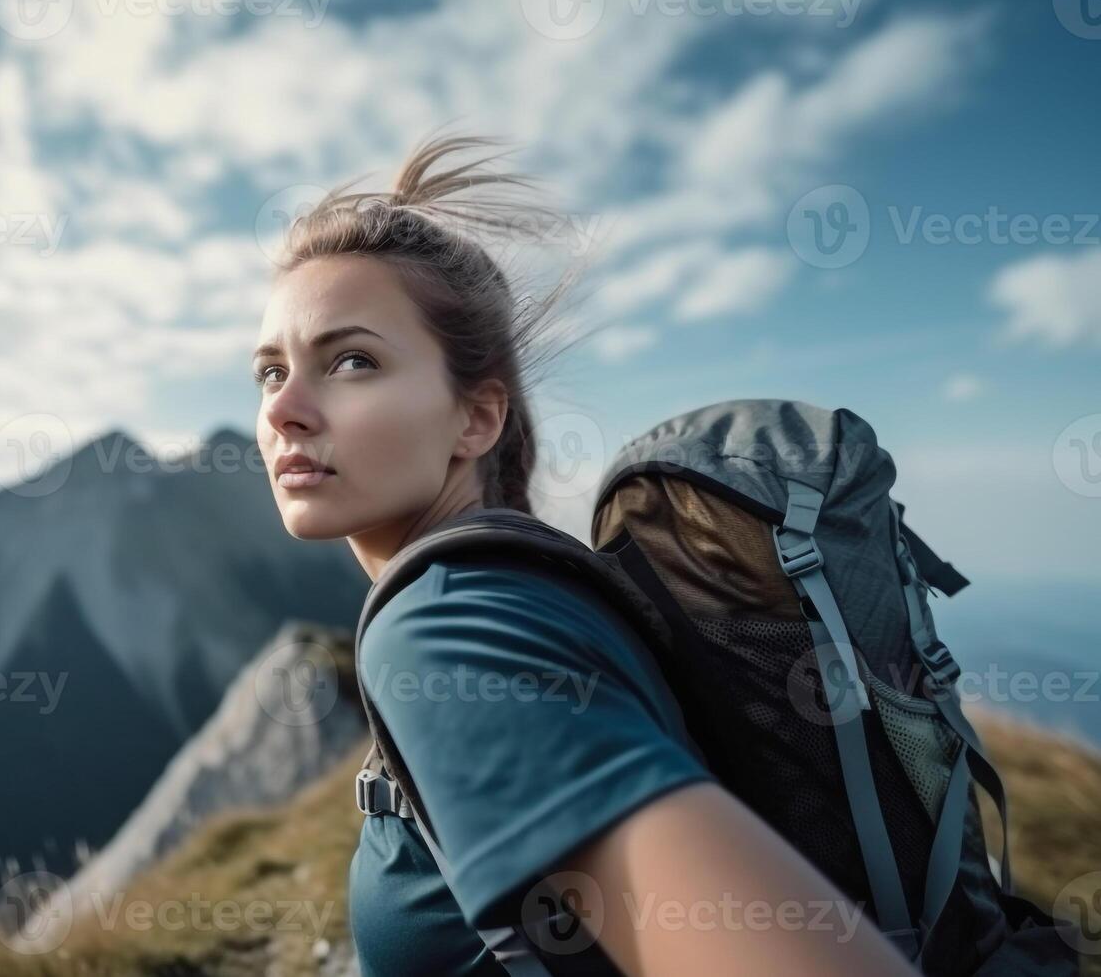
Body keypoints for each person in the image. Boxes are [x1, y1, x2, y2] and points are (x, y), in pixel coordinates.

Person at [251, 129, 922, 977]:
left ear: (477, 418)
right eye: (270, 372)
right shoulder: (537, 576)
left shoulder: (448, 621)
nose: (285, 411)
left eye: (351, 360)